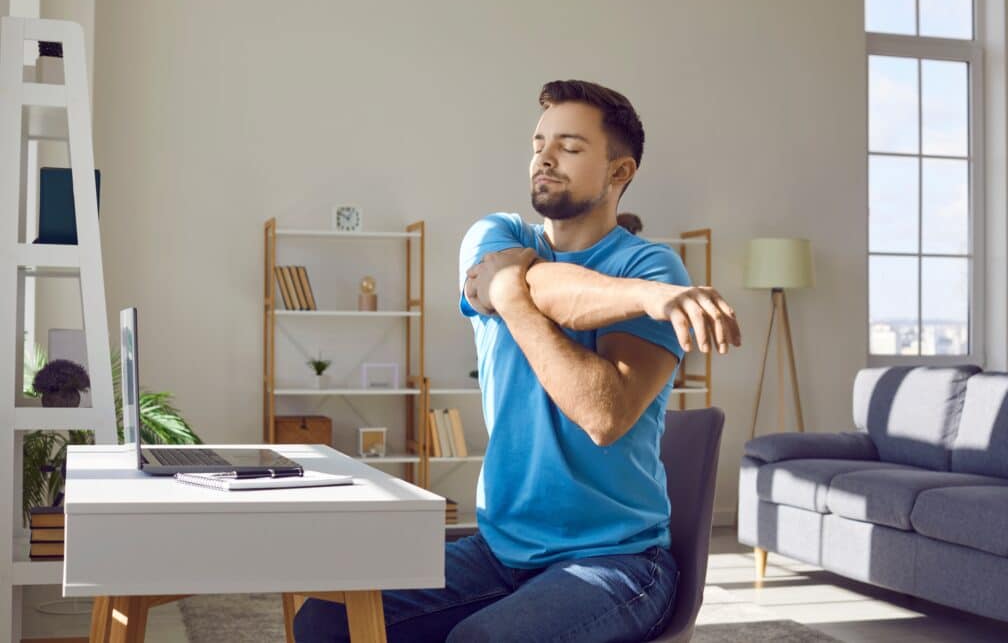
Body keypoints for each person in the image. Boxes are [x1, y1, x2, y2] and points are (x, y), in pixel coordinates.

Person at [294, 80, 741, 642]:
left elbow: (602, 415)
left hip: (619, 562)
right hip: (498, 549)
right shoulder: (496, 233)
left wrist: (510, 292)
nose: (545, 158)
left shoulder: (654, 267)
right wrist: (645, 301)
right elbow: (534, 285)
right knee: (325, 619)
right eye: (538, 143)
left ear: (620, 172)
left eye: (571, 147)